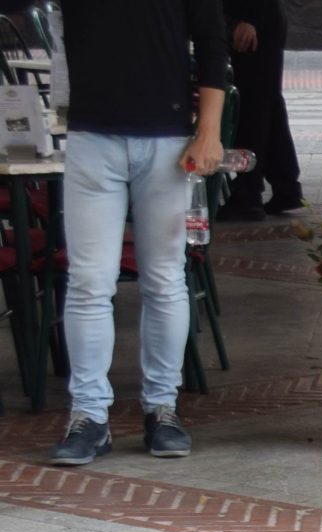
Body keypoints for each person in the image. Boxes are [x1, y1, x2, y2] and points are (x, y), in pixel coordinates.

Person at [48, 0, 229, 467]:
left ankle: (162, 407)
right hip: (92, 135)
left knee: (165, 279)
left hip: (167, 137)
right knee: (89, 282)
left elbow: (213, 39)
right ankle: (89, 414)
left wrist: (209, 129)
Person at [215, 0, 298, 219]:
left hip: (251, 25)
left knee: (252, 110)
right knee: (266, 106)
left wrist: (248, 20)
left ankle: (248, 192)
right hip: (254, 22)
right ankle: (285, 185)